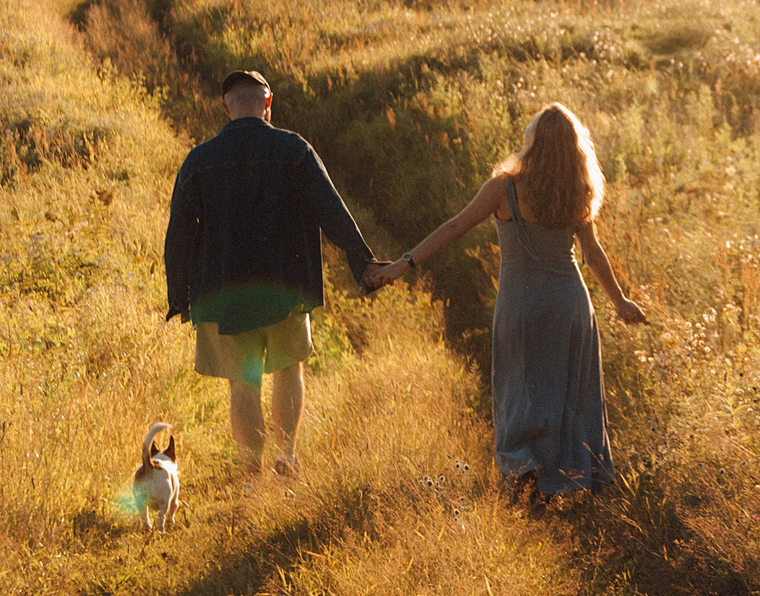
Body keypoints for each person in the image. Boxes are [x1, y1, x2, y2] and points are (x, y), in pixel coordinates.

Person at [377, 103, 646, 501]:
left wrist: (405, 262)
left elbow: (454, 228)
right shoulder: (578, 191)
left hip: (522, 306)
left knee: (521, 392)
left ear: (532, 142)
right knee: (571, 394)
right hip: (570, 305)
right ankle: (573, 479)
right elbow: (592, 252)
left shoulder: (503, 188)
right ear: (575, 149)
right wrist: (620, 301)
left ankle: (525, 474)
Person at [164, 69, 380, 484]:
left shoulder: (199, 160)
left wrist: (180, 296)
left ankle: (251, 474)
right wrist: (362, 263)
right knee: (289, 371)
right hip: (286, 289)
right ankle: (287, 459)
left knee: (242, 384)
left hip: (225, 294)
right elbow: (331, 210)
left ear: (226, 108)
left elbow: (179, 231)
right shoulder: (293, 149)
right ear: (268, 102)